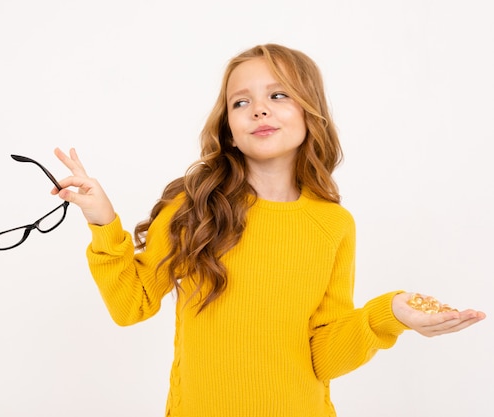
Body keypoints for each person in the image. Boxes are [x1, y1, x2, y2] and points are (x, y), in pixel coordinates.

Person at [51, 44, 486, 416]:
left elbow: (324, 354)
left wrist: (391, 312)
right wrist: (102, 220)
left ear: (309, 113)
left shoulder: (333, 223)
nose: (258, 108)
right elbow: (132, 304)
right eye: (240, 102)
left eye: (278, 95)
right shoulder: (197, 205)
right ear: (229, 130)